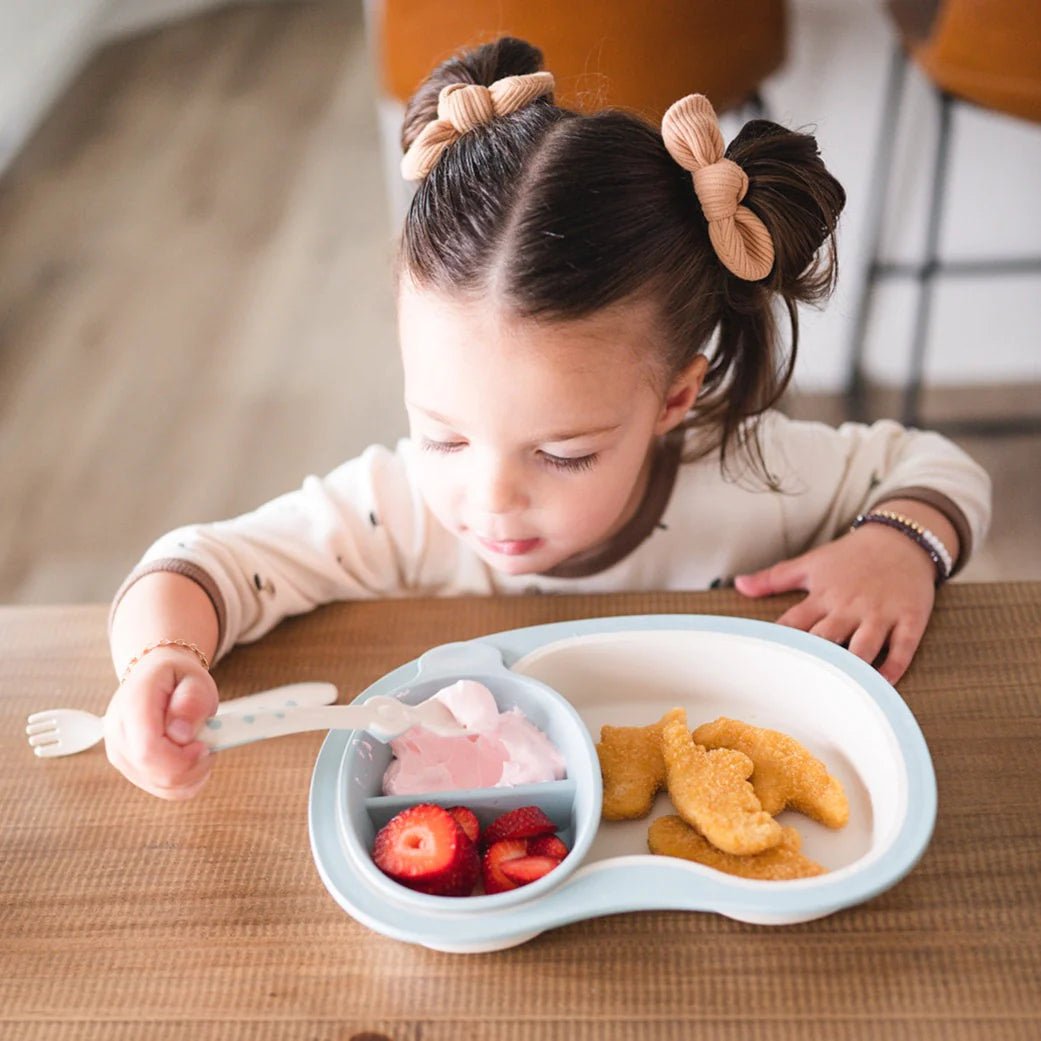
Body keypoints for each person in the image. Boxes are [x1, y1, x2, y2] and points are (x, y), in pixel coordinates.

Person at [104, 37, 990, 800]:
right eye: (442, 434)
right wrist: (161, 661)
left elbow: (937, 470)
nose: (486, 499)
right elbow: (200, 562)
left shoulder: (749, 472)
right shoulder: (400, 508)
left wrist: (897, 544)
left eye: (563, 453)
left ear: (675, 398)